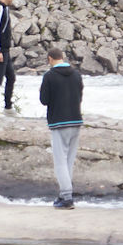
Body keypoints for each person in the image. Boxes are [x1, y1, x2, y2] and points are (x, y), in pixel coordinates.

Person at [38, 45, 83, 208]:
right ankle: (64, 195)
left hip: (59, 122)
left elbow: (44, 100)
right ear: (62, 58)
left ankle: (67, 197)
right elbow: (80, 96)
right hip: (76, 121)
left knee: (60, 162)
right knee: (69, 160)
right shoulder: (77, 74)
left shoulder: (49, 76)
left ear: (50, 59)